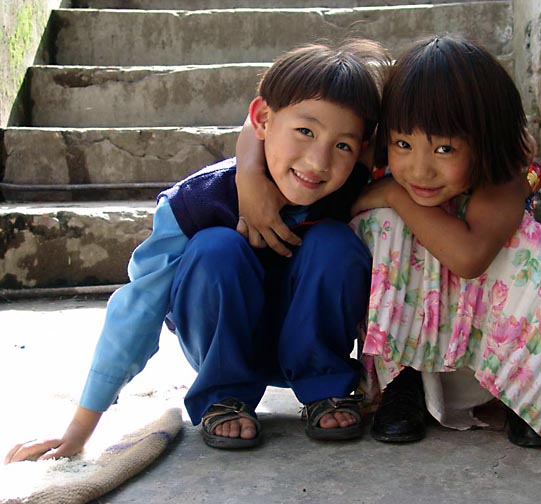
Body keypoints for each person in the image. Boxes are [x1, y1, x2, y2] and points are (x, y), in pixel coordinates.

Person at [234, 35, 541, 448]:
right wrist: (247, 174)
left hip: (510, 349)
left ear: (484, 141)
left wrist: (392, 193)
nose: (419, 169)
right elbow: (270, 112)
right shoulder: (383, 145)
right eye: (403, 144)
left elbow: (468, 257)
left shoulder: (503, 178)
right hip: (427, 341)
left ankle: (528, 397)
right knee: (384, 225)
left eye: (445, 148)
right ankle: (402, 381)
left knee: (511, 242)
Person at [4, 39, 390, 462]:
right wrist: (79, 429)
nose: (318, 162)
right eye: (305, 132)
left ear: (362, 151)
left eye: (343, 145)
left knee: (337, 244)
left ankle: (325, 388)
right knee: (215, 247)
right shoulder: (196, 201)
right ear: (262, 119)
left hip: (311, 342)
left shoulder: (355, 189)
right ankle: (224, 396)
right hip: (223, 343)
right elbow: (139, 307)